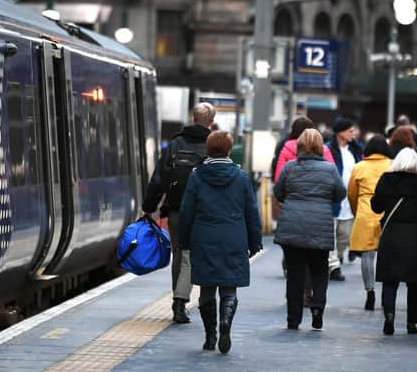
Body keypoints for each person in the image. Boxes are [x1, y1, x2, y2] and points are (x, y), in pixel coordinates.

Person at [178, 130, 262, 354]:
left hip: (204, 237)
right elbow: (251, 212)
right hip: (233, 236)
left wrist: (183, 240)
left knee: (206, 289)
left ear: (208, 149)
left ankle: (210, 336)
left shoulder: (197, 175)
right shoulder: (241, 177)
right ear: (228, 150)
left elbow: (187, 211)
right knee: (229, 288)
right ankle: (225, 320)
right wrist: (255, 242)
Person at [142, 102, 216, 324]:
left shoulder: (175, 144)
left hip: (176, 210)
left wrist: (149, 206)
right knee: (196, 256)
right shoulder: (213, 144)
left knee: (181, 254)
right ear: (210, 121)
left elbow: (159, 179)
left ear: (193, 118)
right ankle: (192, 300)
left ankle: (179, 301)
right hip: (204, 212)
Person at [274, 129, 346, 330]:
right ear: (320, 146)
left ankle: (293, 319)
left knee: (295, 274)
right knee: (319, 272)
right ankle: (317, 311)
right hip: (320, 226)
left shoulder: (290, 167)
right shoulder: (330, 169)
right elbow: (340, 193)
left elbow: (278, 192)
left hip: (292, 226)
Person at [371, 148, 417, 335]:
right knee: (415, 283)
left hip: (392, 237)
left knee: (390, 281)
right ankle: (411, 323)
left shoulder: (386, 181)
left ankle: (389, 318)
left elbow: (376, 207)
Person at [347, 135, 391, 310]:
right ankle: (387, 293)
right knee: (388, 256)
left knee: (367, 255)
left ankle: (370, 291)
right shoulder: (392, 165)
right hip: (388, 214)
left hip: (365, 211)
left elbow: (351, 194)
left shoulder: (359, 167)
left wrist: (356, 211)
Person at [327, 118, 363, 280]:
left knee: (345, 235)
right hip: (333, 198)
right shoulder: (328, 149)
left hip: (350, 199)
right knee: (331, 234)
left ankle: (337, 258)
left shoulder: (355, 150)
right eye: (350, 131)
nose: (353, 134)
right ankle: (333, 266)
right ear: (340, 132)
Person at [273, 116, 335, 183]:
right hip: (320, 190)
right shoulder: (323, 149)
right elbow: (334, 175)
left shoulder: (286, 147)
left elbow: (279, 178)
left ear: (293, 130)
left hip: (292, 190)